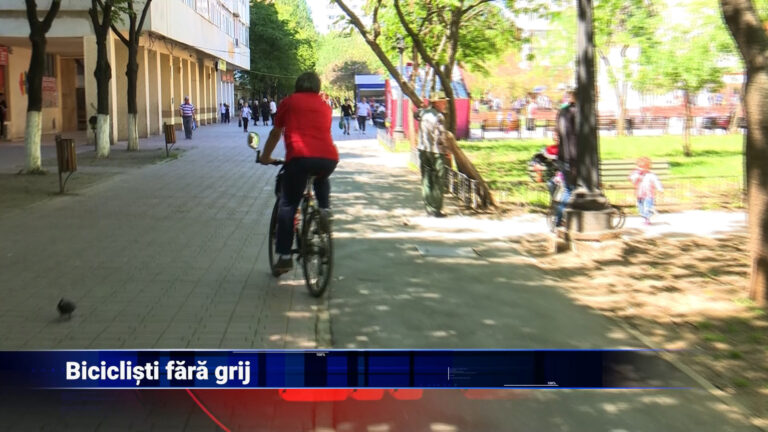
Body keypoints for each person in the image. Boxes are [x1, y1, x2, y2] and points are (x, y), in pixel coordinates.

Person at [259, 72, 339, 275]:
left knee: (287, 205)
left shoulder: (289, 102)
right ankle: (324, 210)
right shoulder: (325, 106)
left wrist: (266, 156)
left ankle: (285, 257)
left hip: (300, 158)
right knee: (321, 176)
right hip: (328, 158)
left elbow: (276, 132)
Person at [414, 100, 449, 217]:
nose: (445, 105)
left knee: (426, 178)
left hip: (423, 149)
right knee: (438, 180)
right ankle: (436, 208)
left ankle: (428, 207)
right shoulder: (439, 117)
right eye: (443, 102)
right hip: (436, 151)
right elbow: (441, 136)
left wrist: (422, 108)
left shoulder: (423, 113)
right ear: (437, 103)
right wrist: (447, 150)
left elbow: (416, 114)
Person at [554, 90, 577, 228]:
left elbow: (557, 134)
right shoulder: (576, 112)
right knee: (570, 190)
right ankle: (559, 219)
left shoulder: (562, 112)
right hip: (572, 158)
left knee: (569, 189)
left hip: (562, 156)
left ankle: (560, 219)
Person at [630, 157, 663, 225]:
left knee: (647, 207)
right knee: (641, 208)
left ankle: (648, 217)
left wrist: (659, 188)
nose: (641, 169)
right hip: (640, 194)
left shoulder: (651, 175)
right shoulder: (636, 174)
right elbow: (632, 179)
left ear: (648, 167)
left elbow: (656, 181)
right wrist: (637, 176)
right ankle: (646, 217)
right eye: (639, 167)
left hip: (649, 194)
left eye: (643, 167)